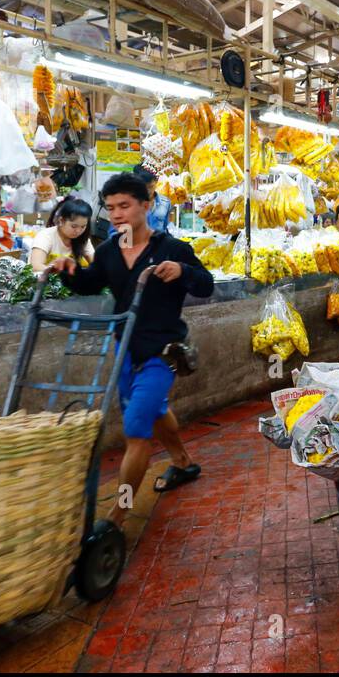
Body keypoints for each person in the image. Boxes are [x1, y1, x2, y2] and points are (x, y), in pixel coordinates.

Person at [50, 172, 215, 525]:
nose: (117, 214)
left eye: (124, 205)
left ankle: (117, 516)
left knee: (135, 428)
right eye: (110, 208)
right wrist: (67, 271)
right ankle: (183, 462)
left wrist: (183, 270)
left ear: (146, 205)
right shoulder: (109, 251)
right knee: (153, 411)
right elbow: (89, 284)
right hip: (125, 350)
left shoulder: (172, 249)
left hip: (162, 352)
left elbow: (206, 286)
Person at [30, 196, 95, 272]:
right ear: (61, 220)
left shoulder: (83, 240)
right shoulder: (46, 236)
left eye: (83, 227)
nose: (78, 231)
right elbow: (35, 266)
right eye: (74, 226)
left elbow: (96, 265)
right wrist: (61, 273)